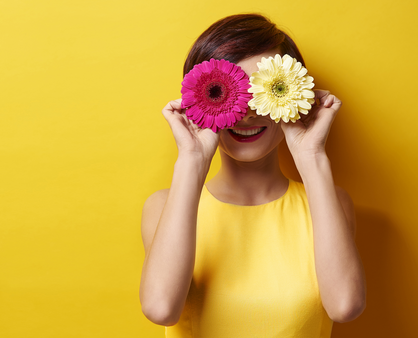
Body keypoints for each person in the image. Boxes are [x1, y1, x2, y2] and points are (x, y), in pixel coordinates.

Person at [139, 14, 366, 337]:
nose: (246, 111)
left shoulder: (330, 203)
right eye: (227, 90)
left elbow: (344, 305)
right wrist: (191, 159)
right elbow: (161, 307)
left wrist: (311, 155)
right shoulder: (162, 206)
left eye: (265, 89)